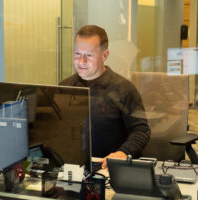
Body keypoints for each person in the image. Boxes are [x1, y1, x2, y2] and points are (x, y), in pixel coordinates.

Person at [60, 25, 150, 169]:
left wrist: (123, 153)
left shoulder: (124, 89)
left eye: (89, 55)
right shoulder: (64, 87)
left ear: (105, 55)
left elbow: (141, 131)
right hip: (72, 167)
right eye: (77, 54)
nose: (81, 61)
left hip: (109, 169)